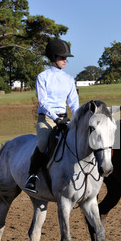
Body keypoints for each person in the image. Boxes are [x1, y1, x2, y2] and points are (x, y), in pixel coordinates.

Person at [24, 38, 79, 193]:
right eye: (62, 57)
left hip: (64, 118)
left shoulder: (69, 79)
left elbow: (74, 103)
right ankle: (32, 176)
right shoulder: (43, 77)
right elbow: (43, 103)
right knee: (42, 143)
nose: (65, 60)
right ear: (54, 57)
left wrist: (78, 117)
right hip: (47, 118)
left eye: (66, 58)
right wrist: (55, 118)